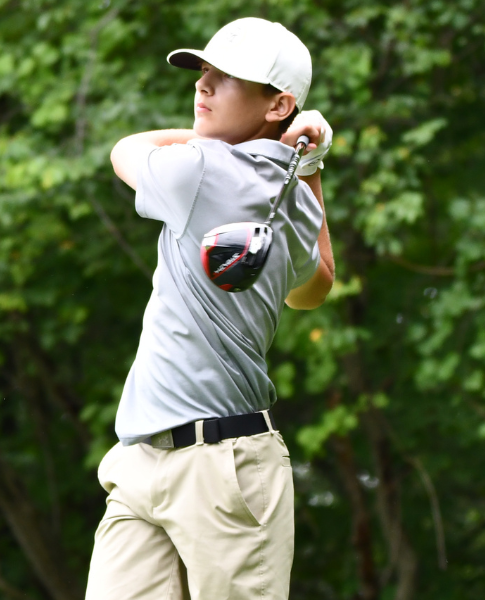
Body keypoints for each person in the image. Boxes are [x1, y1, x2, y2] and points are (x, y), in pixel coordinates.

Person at [85, 16, 335, 600]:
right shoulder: (292, 196)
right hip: (142, 462)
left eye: (226, 78)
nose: (203, 86)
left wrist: (218, 142)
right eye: (205, 71)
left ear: (279, 104)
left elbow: (127, 149)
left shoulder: (198, 167)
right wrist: (309, 163)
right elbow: (315, 287)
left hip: (224, 473)